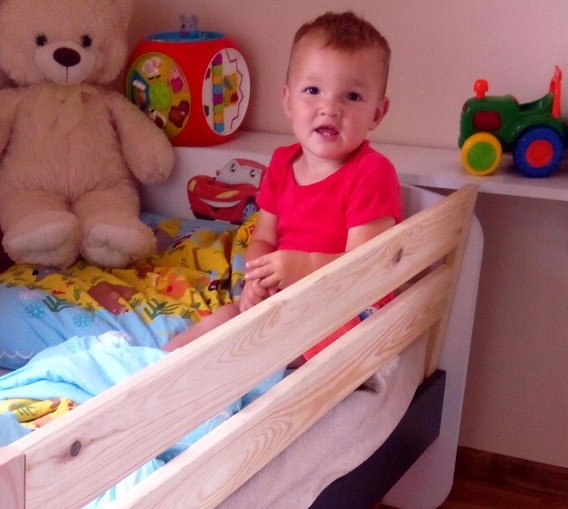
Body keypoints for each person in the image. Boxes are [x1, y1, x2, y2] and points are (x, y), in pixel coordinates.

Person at [164, 11, 402, 360]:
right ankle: (158, 363)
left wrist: (304, 268)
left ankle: (258, 373)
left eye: (351, 96)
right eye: (313, 90)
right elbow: (263, 238)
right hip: (285, 294)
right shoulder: (281, 164)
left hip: (342, 305)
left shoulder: (371, 172)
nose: (329, 108)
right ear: (288, 101)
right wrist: (256, 281)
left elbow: (366, 268)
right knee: (227, 319)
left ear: (377, 114)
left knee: (314, 346)